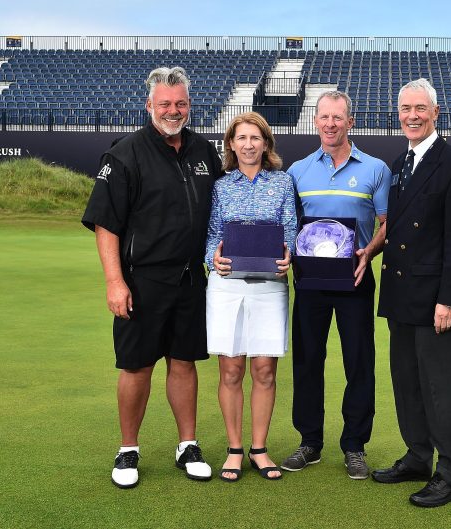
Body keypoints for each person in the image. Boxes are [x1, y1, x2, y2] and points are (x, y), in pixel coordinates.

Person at [81, 66, 223, 489]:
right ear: (149, 105)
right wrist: (114, 282)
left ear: (189, 105)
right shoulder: (124, 154)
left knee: (184, 362)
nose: (173, 110)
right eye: (165, 104)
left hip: (191, 280)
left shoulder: (203, 151)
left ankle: (188, 444)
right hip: (141, 282)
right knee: (137, 366)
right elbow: (107, 225)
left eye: (180, 103)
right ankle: (128, 450)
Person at [371, 78, 451, 508]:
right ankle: (418, 457)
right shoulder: (399, 163)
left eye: (420, 108)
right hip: (401, 294)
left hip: (436, 299)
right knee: (408, 385)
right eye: (405, 108)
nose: (412, 115)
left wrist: (449, 298)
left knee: (442, 389)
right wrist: (368, 250)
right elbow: (394, 229)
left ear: (436, 112)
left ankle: (450, 474)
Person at [282, 90, 391, 480]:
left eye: (337, 117)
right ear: (315, 121)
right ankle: (309, 441)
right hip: (310, 281)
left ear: (350, 122)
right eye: (324, 117)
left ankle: (355, 446)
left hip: (355, 278)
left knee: (359, 362)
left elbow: (385, 224)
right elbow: (289, 226)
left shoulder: (376, 169)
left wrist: (369, 252)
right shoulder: (297, 170)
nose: (330, 124)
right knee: (308, 359)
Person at [207, 112, 296, 482]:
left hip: (270, 287)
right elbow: (212, 233)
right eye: (241, 138)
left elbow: (290, 228)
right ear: (231, 144)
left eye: (255, 138)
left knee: (264, 370)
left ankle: (259, 449)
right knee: (231, 369)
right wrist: (211, 256)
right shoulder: (220, 186)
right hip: (227, 286)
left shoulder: (283, 182)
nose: (248, 145)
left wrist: (290, 253)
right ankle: (234, 449)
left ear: (266, 143)